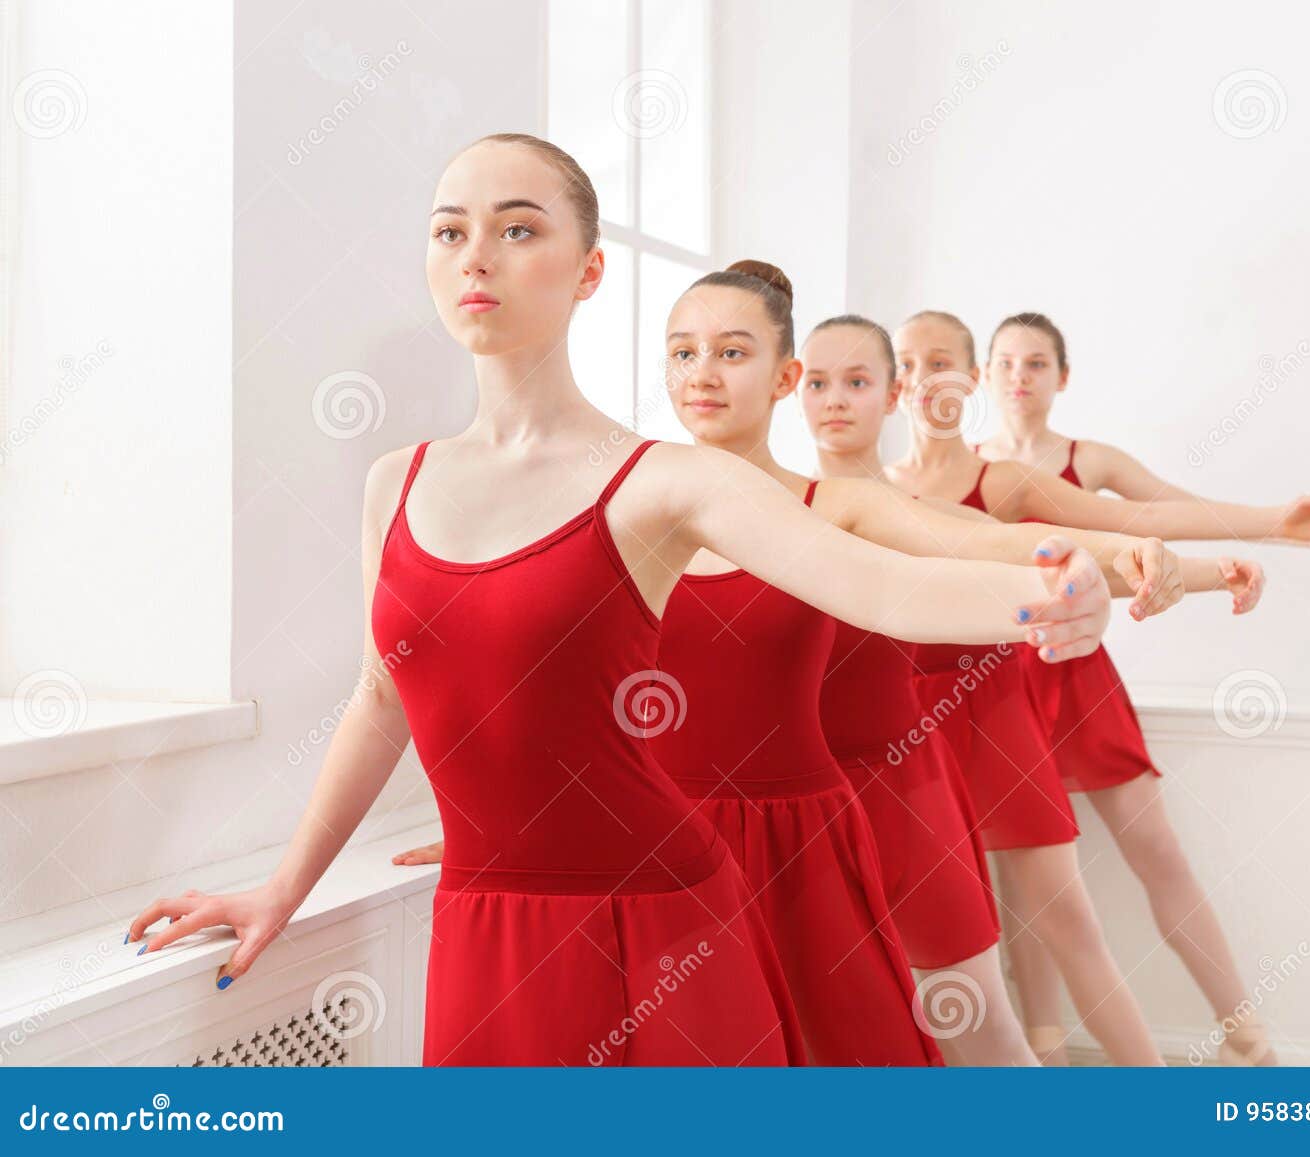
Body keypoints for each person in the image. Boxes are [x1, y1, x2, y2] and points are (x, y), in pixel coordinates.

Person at [120, 134, 1104, 1067]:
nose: (478, 257)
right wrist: (283, 888)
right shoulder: (396, 480)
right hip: (482, 923)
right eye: (450, 230)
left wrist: (1048, 592)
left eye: (518, 229)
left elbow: (881, 583)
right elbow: (382, 701)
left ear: (589, 270)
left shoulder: (663, 480)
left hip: (659, 914)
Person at [974, 311, 1310, 1065]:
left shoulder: (1089, 459)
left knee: (1157, 851)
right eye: (1007, 361)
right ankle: (1046, 1047)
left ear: (1063, 376)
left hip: (1079, 680)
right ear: (985, 373)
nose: (1021, 375)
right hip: (992, 687)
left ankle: (1245, 1034)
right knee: (1028, 877)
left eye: (1038, 362)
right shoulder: (966, 472)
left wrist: (1286, 529)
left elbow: (1164, 513)